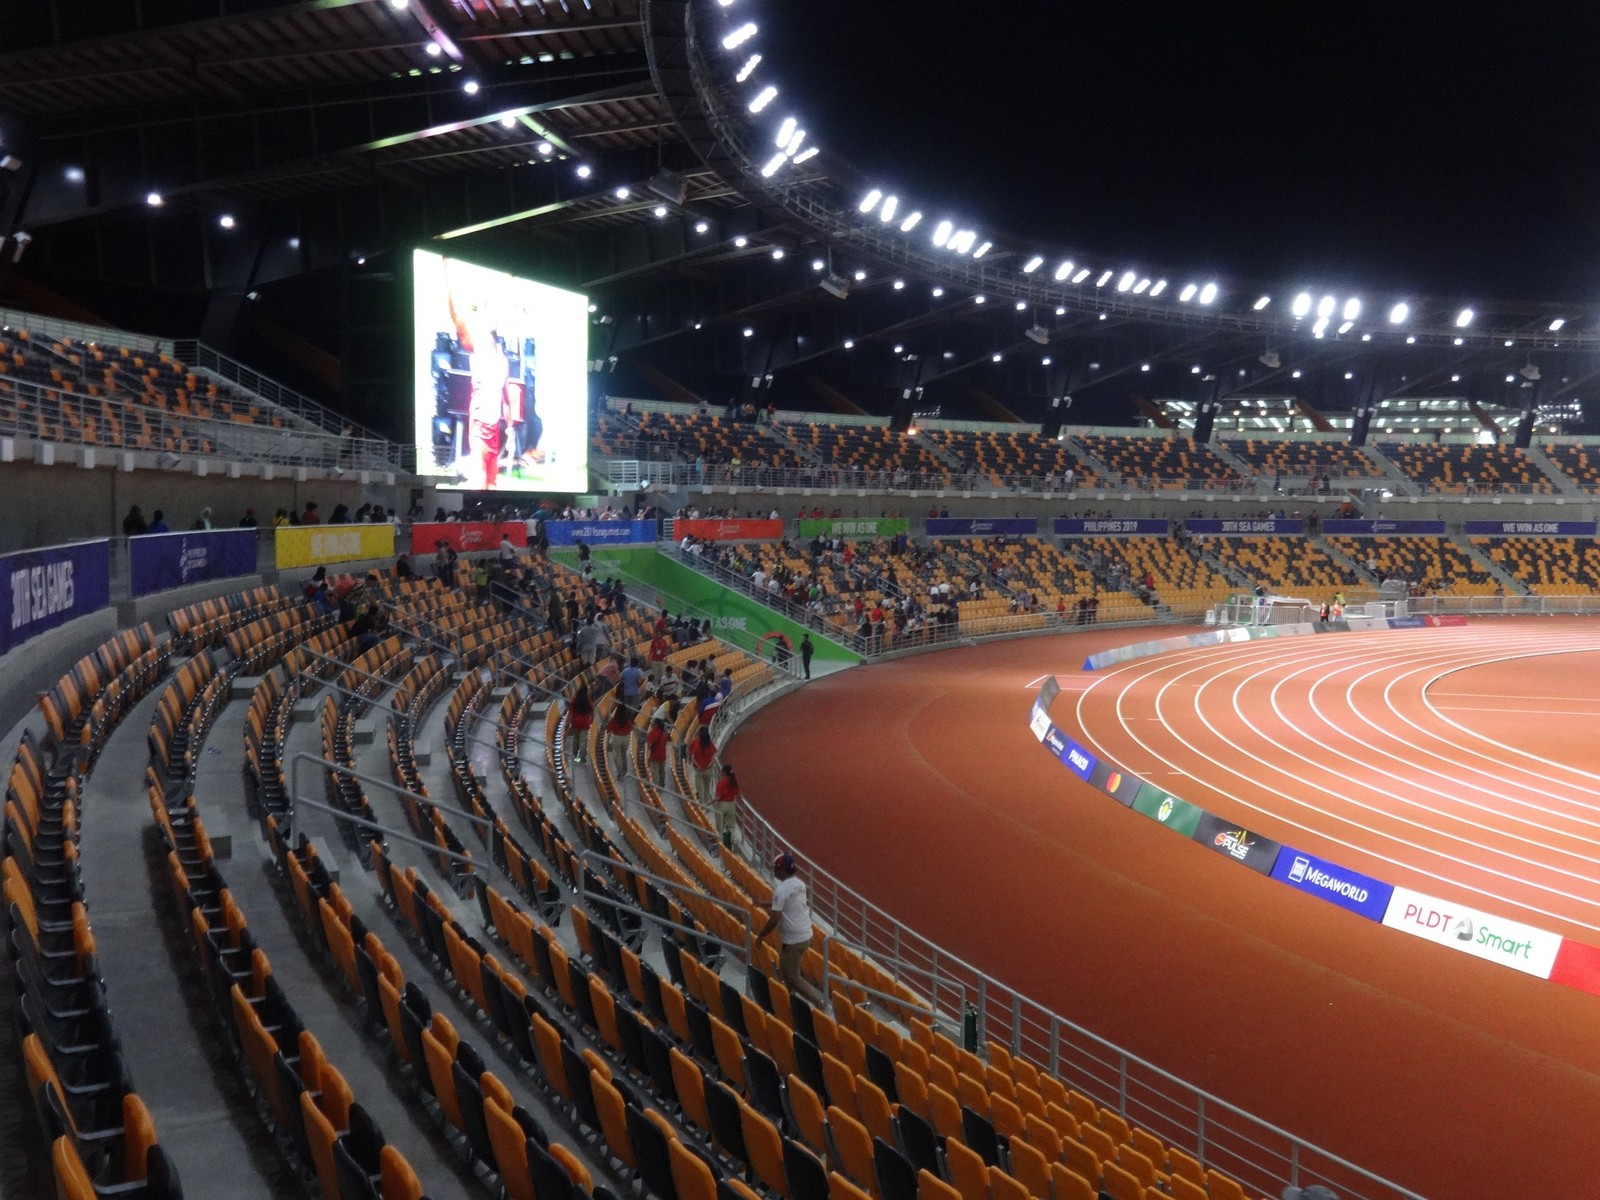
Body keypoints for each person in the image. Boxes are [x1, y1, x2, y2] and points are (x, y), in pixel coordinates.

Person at [757, 852, 813, 998]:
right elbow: (788, 902)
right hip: (804, 934)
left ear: (782, 870)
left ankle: (820, 1004)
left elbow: (775, 918)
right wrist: (766, 904)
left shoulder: (781, 890)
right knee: (787, 973)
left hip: (793, 940)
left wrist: (761, 936)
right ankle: (790, 1001)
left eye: (776, 868)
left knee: (793, 977)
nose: (774, 870)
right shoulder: (800, 884)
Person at [713, 764, 741, 849]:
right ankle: (730, 842)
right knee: (729, 826)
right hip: (731, 805)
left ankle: (724, 843)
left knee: (721, 826)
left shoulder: (721, 783)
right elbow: (737, 794)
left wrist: (713, 801)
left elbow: (718, 797)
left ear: (724, 773)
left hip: (722, 805)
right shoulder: (734, 782)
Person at [688, 726, 718, 805]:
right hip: (708, 770)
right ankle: (707, 802)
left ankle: (702, 804)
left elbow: (692, 756)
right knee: (707, 787)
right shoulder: (710, 743)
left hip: (698, 770)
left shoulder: (695, 743)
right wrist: (708, 765)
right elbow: (714, 756)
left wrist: (698, 766)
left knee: (700, 789)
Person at [605, 704, 634, 777]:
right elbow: (632, 728)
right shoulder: (628, 720)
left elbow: (608, 729)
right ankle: (625, 770)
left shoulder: (614, 720)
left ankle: (619, 772)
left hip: (617, 738)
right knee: (624, 754)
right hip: (626, 738)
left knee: (617, 756)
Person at [567, 684, 593, 764]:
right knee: (583, 740)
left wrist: (568, 723)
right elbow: (592, 711)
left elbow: (570, 712)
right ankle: (582, 757)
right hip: (585, 722)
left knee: (575, 738)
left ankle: (575, 755)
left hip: (575, 722)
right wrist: (591, 720)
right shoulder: (588, 701)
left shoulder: (574, 701)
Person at [645, 717, 669, 790]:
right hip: (663, 755)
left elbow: (649, 745)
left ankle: (655, 788)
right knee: (662, 771)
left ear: (655, 725)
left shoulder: (652, 733)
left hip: (654, 756)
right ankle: (662, 784)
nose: (651, 724)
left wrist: (648, 756)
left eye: (652, 723)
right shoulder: (665, 733)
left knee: (654, 772)